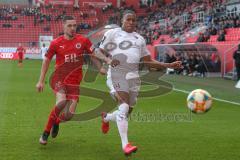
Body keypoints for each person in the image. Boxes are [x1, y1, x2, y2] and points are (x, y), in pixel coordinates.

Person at [98, 10, 182, 156]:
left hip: (133, 77)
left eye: (133, 20)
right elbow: (98, 51)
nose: (131, 22)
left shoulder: (140, 39)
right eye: (128, 20)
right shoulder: (113, 33)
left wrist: (168, 66)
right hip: (116, 74)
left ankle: (106, 118)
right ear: (122, 20)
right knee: (123, 105)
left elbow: (148, 62)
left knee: (127, 111)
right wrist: (107, 61)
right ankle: (125, 145)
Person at [36, 16, 102, 145]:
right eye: (69, 25)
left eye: (74, 25)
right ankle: (45, 132)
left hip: (75, 82)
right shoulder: (56, 43)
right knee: (61, 102)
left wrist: (100, 68)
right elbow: (47, 60)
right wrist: (41, 80)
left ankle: (57, 121)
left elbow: (93, 54)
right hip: (59, 79)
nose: (73, 28)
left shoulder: (83, 40)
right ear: (63, 26)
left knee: (69, 115)